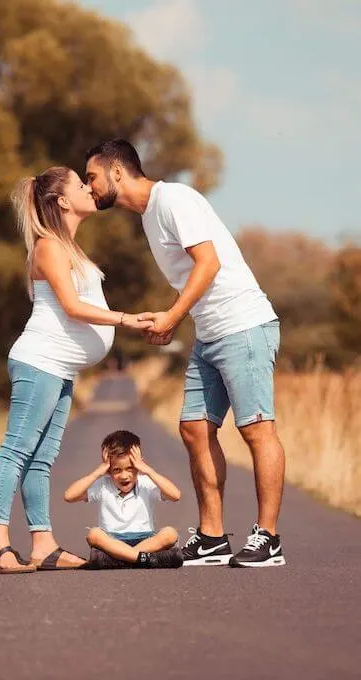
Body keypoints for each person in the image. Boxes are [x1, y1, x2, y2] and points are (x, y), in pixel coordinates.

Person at [85, 140, 286, 568]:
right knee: (194, 428)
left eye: (91, 177)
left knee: (256, 429)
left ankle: (268, 538)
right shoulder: (149, 218)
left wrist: (173, 317)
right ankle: (213, 536)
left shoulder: (173, 198)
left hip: (243, 325)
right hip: (210, 332)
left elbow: (208, 263)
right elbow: (191, 278)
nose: (89, 187)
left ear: (116, 171)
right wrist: (173, 315)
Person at [0, 166, 153, 574]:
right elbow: (74, 309)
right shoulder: (49, 247)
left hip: (60, 367)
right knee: (17, 450)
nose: (89, 189)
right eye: (80, 184)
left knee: (41, 460)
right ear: (61, 201)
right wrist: (127, 319)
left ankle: (43, 544)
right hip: (40, 360)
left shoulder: (68, 247)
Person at [64, 430, 183, 569]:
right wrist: (98, 472)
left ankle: (123, 559)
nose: (124, 475)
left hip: (145, 539)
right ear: (108, 470)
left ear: (139, 466)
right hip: (113, 541)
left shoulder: (145, 482)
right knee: (94, 534)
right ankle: (144, 559)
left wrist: (148, 470)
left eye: (130, 468)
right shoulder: (103, 485)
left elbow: (175, 495)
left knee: (170, 533)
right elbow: (69, 496)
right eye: (117, 470)